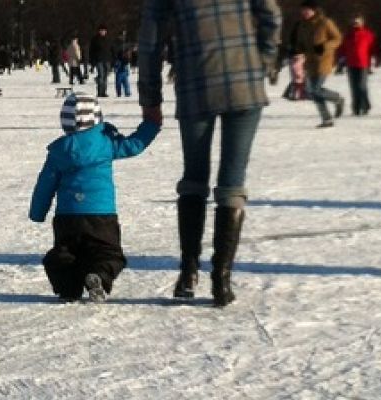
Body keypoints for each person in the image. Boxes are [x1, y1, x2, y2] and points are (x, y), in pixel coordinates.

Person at [139, 0, 281, 306]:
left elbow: (150, 41)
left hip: (195, 83)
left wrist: (150, 97)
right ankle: (222, 277)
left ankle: (189, 271)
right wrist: (264, 60)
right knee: (233, 180)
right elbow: (271, 16)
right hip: (245, 81)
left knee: (194, 176)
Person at [29, 92, 161, 302]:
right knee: (107, 253)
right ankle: (98, 275)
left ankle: (68, 288)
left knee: (66, 254)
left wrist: (37, 212)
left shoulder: (58, 151)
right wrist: (151, 125)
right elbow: (134, 145)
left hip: (67, 217)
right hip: (102, 215)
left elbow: (45, 184)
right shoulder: (106, 143)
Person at [292, 0, 344, 128]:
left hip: (323, 60)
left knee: (314, 89)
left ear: (314, 10)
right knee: (312, 91)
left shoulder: (325, 22)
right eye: (303, 10)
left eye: (307, 10)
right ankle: (327, 119)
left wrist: (324, 47)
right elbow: (300, 42)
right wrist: (297, 49)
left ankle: (337, 98)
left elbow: (337, 38)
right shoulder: (302, 25)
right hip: (309, 62)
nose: (304, 12)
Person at [340, 14, 376, 116]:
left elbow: (372, 48)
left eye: (358, 22)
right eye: (354, 22)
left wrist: (374, 59)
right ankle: (356, 108)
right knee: (353, 87)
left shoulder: (368, 34)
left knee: (362, 86)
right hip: (351, 63)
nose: (356, 24)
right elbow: (343, 48)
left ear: (362, 22)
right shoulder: (348, 35)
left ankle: (365, 106)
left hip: (363, 64)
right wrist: (341, 60)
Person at [89, 25, 112, 97]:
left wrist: (113, 60)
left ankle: (104, 92)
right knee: (101, 76)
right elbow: (91, 51)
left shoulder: (108, 39)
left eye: (104, 30)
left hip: (107, 60)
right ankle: (100, 92)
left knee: (105, 77)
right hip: (99, 60)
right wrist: (92, 62)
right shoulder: (95, 39)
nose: (103, 32)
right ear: (99, 31)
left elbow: (112, 49)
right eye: (101, 30)